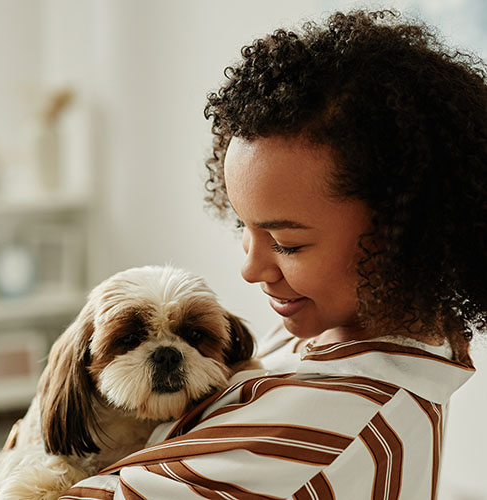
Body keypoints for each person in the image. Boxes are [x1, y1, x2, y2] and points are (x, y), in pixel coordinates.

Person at [60, 9, 486, 499]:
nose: (249, 270)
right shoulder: (345, 332)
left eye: (288, 243)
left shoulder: (320, 429)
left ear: (402, 235)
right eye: (244, 226)